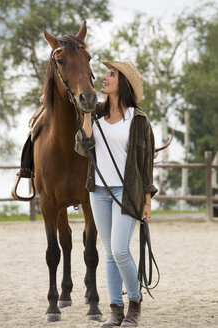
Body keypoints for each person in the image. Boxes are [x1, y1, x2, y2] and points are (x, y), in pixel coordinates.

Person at [75, 60, 158, 327]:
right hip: (98, 191)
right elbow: (82, 147)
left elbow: (145, 162)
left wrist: (147, 198)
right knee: (109, 253)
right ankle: (115, 309)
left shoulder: (139, 119)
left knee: (121, 250)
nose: (105, 77)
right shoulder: (96, 113)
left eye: (111, 74)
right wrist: (87, 113)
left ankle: (134, 304)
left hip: (127, 191)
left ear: (123, 83)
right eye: (107, 73)